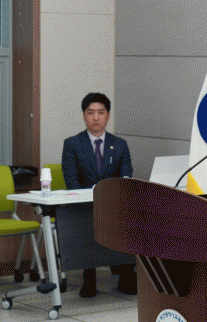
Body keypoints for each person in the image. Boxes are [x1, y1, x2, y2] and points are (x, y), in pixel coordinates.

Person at [61, 92, 136, 298]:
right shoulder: (72, 144)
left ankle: (126, 276)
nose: (95, 118)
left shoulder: (119, 144)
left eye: (100, 112)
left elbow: (126, 176)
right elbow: (72, 181)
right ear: (84, 115)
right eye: (90, 113)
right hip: (84, 204)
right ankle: (89, 278)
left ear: (108, 116)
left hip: (114, 204)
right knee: (88, 219)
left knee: (131, 218)